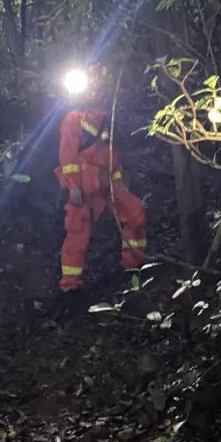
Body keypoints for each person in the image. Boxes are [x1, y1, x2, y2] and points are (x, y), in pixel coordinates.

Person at [54, 63, 147, 292]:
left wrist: (118, 181)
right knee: (77, 231)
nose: (97, 89)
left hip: (108, 183)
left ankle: (132, 267)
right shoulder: (74, 119)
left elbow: (113, 154)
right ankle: (70, 285)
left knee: (134, 212)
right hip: (84, 187)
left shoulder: (110, 118)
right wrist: (73, 186)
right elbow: (67, 156)